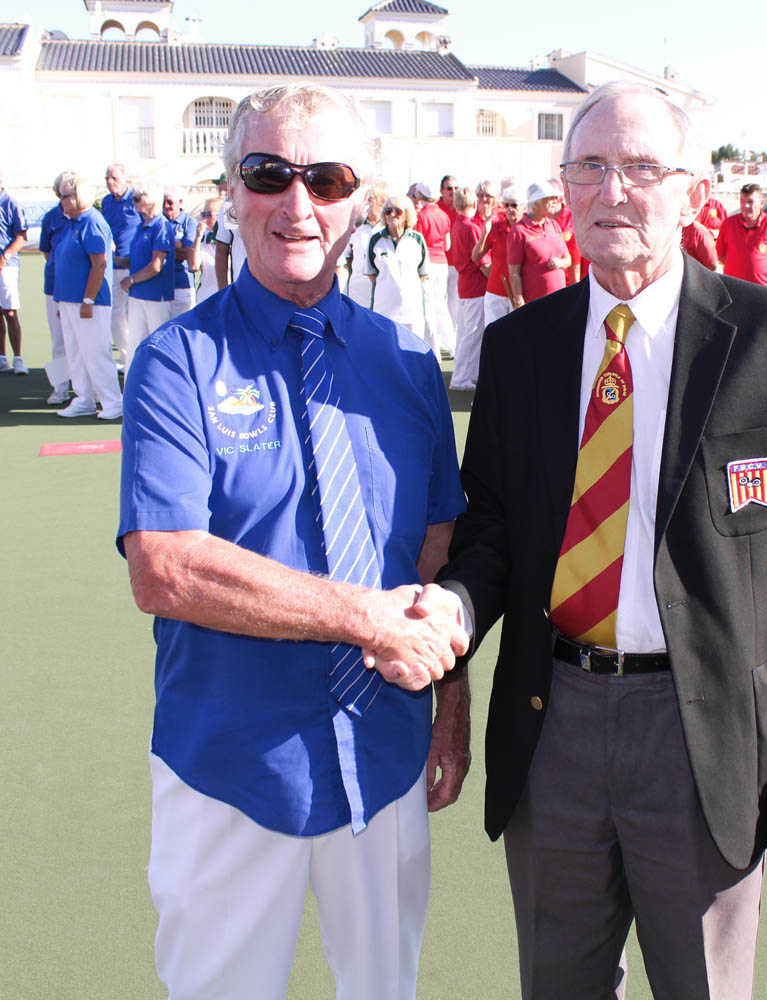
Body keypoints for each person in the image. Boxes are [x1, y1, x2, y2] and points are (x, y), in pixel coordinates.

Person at [429, 80, 767, 999]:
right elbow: (495, 530)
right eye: (589, 168)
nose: (612, 191)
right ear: (564, 186)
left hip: (704, 737)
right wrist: (456, 605)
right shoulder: (522, 348)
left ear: (691, 191)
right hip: (555, 726)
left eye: (638, 168)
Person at [117, 82, 468, 1000]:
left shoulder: (406, 363)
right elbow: (166, 567)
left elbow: (436, 555)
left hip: (384, 755)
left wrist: (454, 704)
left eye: (327, 176)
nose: (298, 203)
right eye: (270, 174)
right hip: (233, 764)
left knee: (387, 988)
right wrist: (367, 620)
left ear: (363, 198)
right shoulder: (177, 362)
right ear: (232, 190)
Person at [53, 177, 123, 420]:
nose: (60, 201)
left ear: (77, 197)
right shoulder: (73, 223)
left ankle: (113, 401)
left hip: (88, 301)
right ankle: (84, 399)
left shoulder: (92, 221)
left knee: (95, 352)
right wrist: (64, 302)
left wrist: (88, 300)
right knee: (76, 352)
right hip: (70, 300)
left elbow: (99, 264)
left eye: (64, 196)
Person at [121, 182, 175, 358]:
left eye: (137, 199)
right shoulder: (140, 226)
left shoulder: (161, 226)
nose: (133, 203)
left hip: (155, 296)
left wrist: (131, 280)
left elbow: (155, 266)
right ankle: (131, 384)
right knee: (134, 344)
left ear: (149, 200)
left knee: (159, 345)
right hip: (137, 295)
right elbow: (137, 259)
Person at [367, 194, 430, 340]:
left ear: (407, 214)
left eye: (398, 211)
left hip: (411, 310)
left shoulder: (417, 240)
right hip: (383, 309)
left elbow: (423, 273)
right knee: (384, 353)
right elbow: (371, 273)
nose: (392, 215)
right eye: (388, 211)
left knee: (413, 353)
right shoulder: (376, 240)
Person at [449, 185, 490, 390]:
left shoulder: (457, 224)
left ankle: (466, 374)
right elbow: (481, 261)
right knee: (473, 333)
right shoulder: (471, 227)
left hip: (465, 282)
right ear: (473, 203)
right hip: (475, 284)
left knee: (467, 331)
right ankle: (461, 377)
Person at [38, 171, 74, 404]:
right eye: (64, 194)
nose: (68, 198)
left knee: (83, 341)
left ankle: (87, 390)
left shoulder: (87, 217)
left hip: (81, 289)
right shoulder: (51, 218)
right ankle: (60, 388)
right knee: (59, 339)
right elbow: (46, 251)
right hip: (54, 287)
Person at [101, 163, 141, 371]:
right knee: (116, 314)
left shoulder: (135, 199)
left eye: (114, 178)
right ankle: (126, 356)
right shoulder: (106, 202)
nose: (110, 182)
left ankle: (134, 357)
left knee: (133, 314)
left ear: (125, 179)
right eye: (107, 178)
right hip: (112, 266)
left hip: (134, 266)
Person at [507, 181, 571, 306]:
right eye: (549, 198)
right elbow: (514, 272)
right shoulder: (519, 230)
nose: (554, 201)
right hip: (535, 304)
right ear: (535, 203)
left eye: (555, 198)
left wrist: (560, 262)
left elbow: (568, 259)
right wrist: (519, 302)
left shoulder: (554, 225)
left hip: (560, 300)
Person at [716, 183, 767, 287]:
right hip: (734, 287)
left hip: (763, 288)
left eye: (750, 202)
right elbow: (721, 255)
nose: (745, 206)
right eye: (742, 201)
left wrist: (763, 270)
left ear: (762, 203)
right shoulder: (728, 224)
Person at [414, 182, 456, 356]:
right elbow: (447, 245)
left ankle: (434, 348)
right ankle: (451, 345)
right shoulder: (443, 215)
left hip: (428, 264)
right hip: (442, 262)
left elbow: (418, 244)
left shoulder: (421, 216)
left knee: (429, 306)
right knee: (442, 305)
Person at [473, 185, 523, 327]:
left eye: (514, 205)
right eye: (506, 205)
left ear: (523, 207)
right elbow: (475, 257)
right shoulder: (497, 227)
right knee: (494, 336)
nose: (509, 209)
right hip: (496, 291)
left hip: (519, 292)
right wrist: (485, 232)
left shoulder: (527, 228)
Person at [0, 171, 28, 374]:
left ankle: (18, 358)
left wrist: (5, 257)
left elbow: (22, 236)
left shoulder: (11, 202)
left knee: (9, 311)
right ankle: (2, 358)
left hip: (7, 265)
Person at [344, 179, 387, 308]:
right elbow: (346, 260)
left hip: (381, 297)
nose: (367, 203)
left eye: (371, 199)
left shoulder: (387, 230)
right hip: (356, 295)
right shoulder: (355, 227)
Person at [162, 187, 199, 318]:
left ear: (180, 202)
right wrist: (176, 246)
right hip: (161, 285)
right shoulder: (159, 221)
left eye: (170, 202)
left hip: (182, 285)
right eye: (164, 202)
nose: (166, 206)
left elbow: (188, 254)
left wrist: (161, 250)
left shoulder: (190, 223)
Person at [438, 175, 461, 330]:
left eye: (455, 188)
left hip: (457, 262)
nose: (453, 191)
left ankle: (452, 331)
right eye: (449, 188)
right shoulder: (437, 208)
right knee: (439, 300)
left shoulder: (461, 207)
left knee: (454, 300)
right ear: (442, 191)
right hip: (440, 262)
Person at [193, 196, 224, 305]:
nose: (204, 219)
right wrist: (198, 237)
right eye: (203, 215)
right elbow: (194, 266)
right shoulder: (203, 239)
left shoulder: (232, 239)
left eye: (208, 215)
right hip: (205, 297)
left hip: (225, 296)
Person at [213, 198, 247, 288]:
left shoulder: (281, 194)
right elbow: (222, 246)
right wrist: (223, 291)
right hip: (242, 284)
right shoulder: (232, 200)